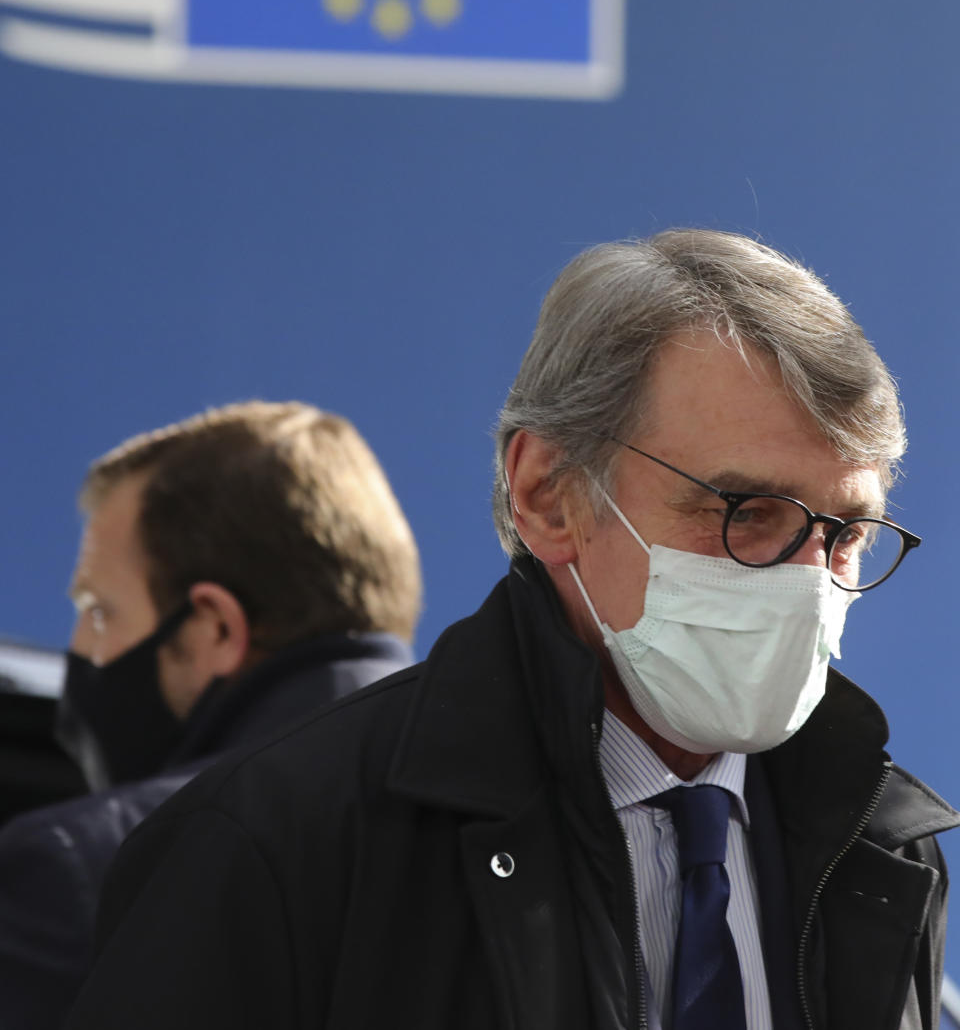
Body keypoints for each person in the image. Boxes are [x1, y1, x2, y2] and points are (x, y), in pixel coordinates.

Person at [66, 232, 957, 1030]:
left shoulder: (880, 848)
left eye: (844, 533)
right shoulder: (272, 845)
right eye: (745, 511)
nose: (806, 580)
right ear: (548, 494)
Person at [0, 401, 421, 1029]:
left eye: (97, 611)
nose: (81, 650)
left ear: (215, 628)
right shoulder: (572, 844)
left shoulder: (84, 870)